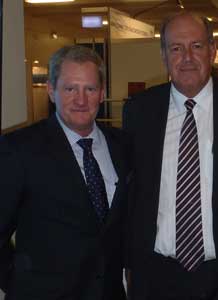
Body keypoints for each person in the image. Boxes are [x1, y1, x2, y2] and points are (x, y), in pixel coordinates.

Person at [123, 11, 218, 300]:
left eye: (197, 46)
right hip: (156, 275)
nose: (187, 57)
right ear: (164, 56)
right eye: (176, 48)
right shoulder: (139, 111)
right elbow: (132, 192)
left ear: (213, 51)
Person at [0, 45, 128, 300]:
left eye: (90, 89)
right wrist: (18, 283)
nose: (81, 100)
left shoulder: (124, 147)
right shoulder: (19, 149)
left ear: (102, 93)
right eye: (70, 89)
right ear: (51, 90)